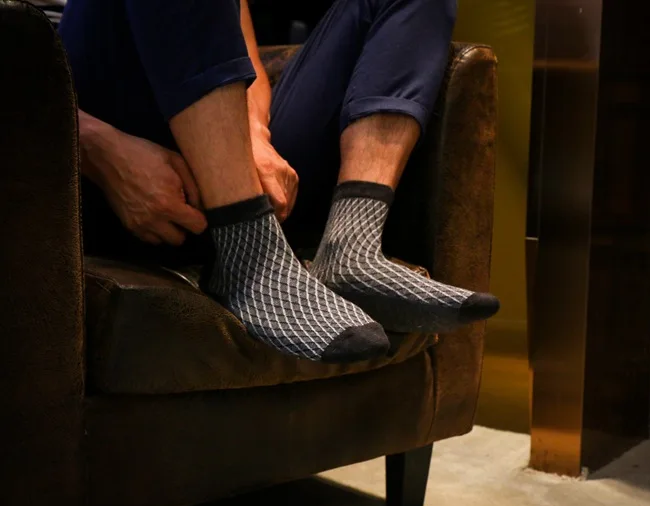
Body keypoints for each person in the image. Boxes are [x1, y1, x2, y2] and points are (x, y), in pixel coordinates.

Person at [58, 0, 499, 364]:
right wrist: (97, 150)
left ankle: (351, 246)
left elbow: (238, 46)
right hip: (77, 160)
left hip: (224, 154)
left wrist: (251, 134)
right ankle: (249, 262)